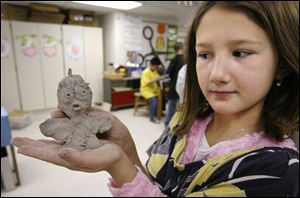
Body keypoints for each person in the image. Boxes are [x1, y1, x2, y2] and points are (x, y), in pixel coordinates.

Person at [12, 1, 299, 196]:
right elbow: (154, 186)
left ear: (282, 64)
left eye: (240, 53)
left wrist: (119, 166)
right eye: (205, 54)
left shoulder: (276, 171)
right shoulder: (186, 121)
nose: (216, 74)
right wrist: (125, 150)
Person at [164, 42, 185, 127]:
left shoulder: (173, 60)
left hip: (174, 86)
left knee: (172, 107)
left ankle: (168, 124)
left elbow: (168, 73)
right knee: (177, 107)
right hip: (181, 87)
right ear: (181, 48)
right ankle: (170, 124)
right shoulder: (185, 60)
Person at [140, 56, 165, 123]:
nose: (157, 68)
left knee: (163, 97)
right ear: (152, 65)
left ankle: (159, 113)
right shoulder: (145, 72)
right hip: (146, 90)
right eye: (156, 67)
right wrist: (155, 79)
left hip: (153, 90)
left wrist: (161, 77)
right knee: (154, 101)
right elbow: (146, 83)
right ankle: (152, 117)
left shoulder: (154, 71)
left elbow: (157, 77)